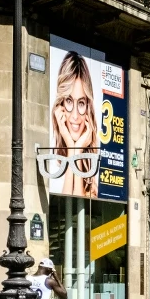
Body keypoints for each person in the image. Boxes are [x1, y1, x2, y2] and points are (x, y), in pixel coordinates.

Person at [50, 51, 100, 198]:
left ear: (88, 107)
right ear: (61, 104)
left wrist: (76, 150)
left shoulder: (94, 163)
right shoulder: (52, 162)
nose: (75, 115)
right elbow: (66, 207)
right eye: (70, 101)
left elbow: (77, 207)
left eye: (82, 103)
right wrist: (72, 148)